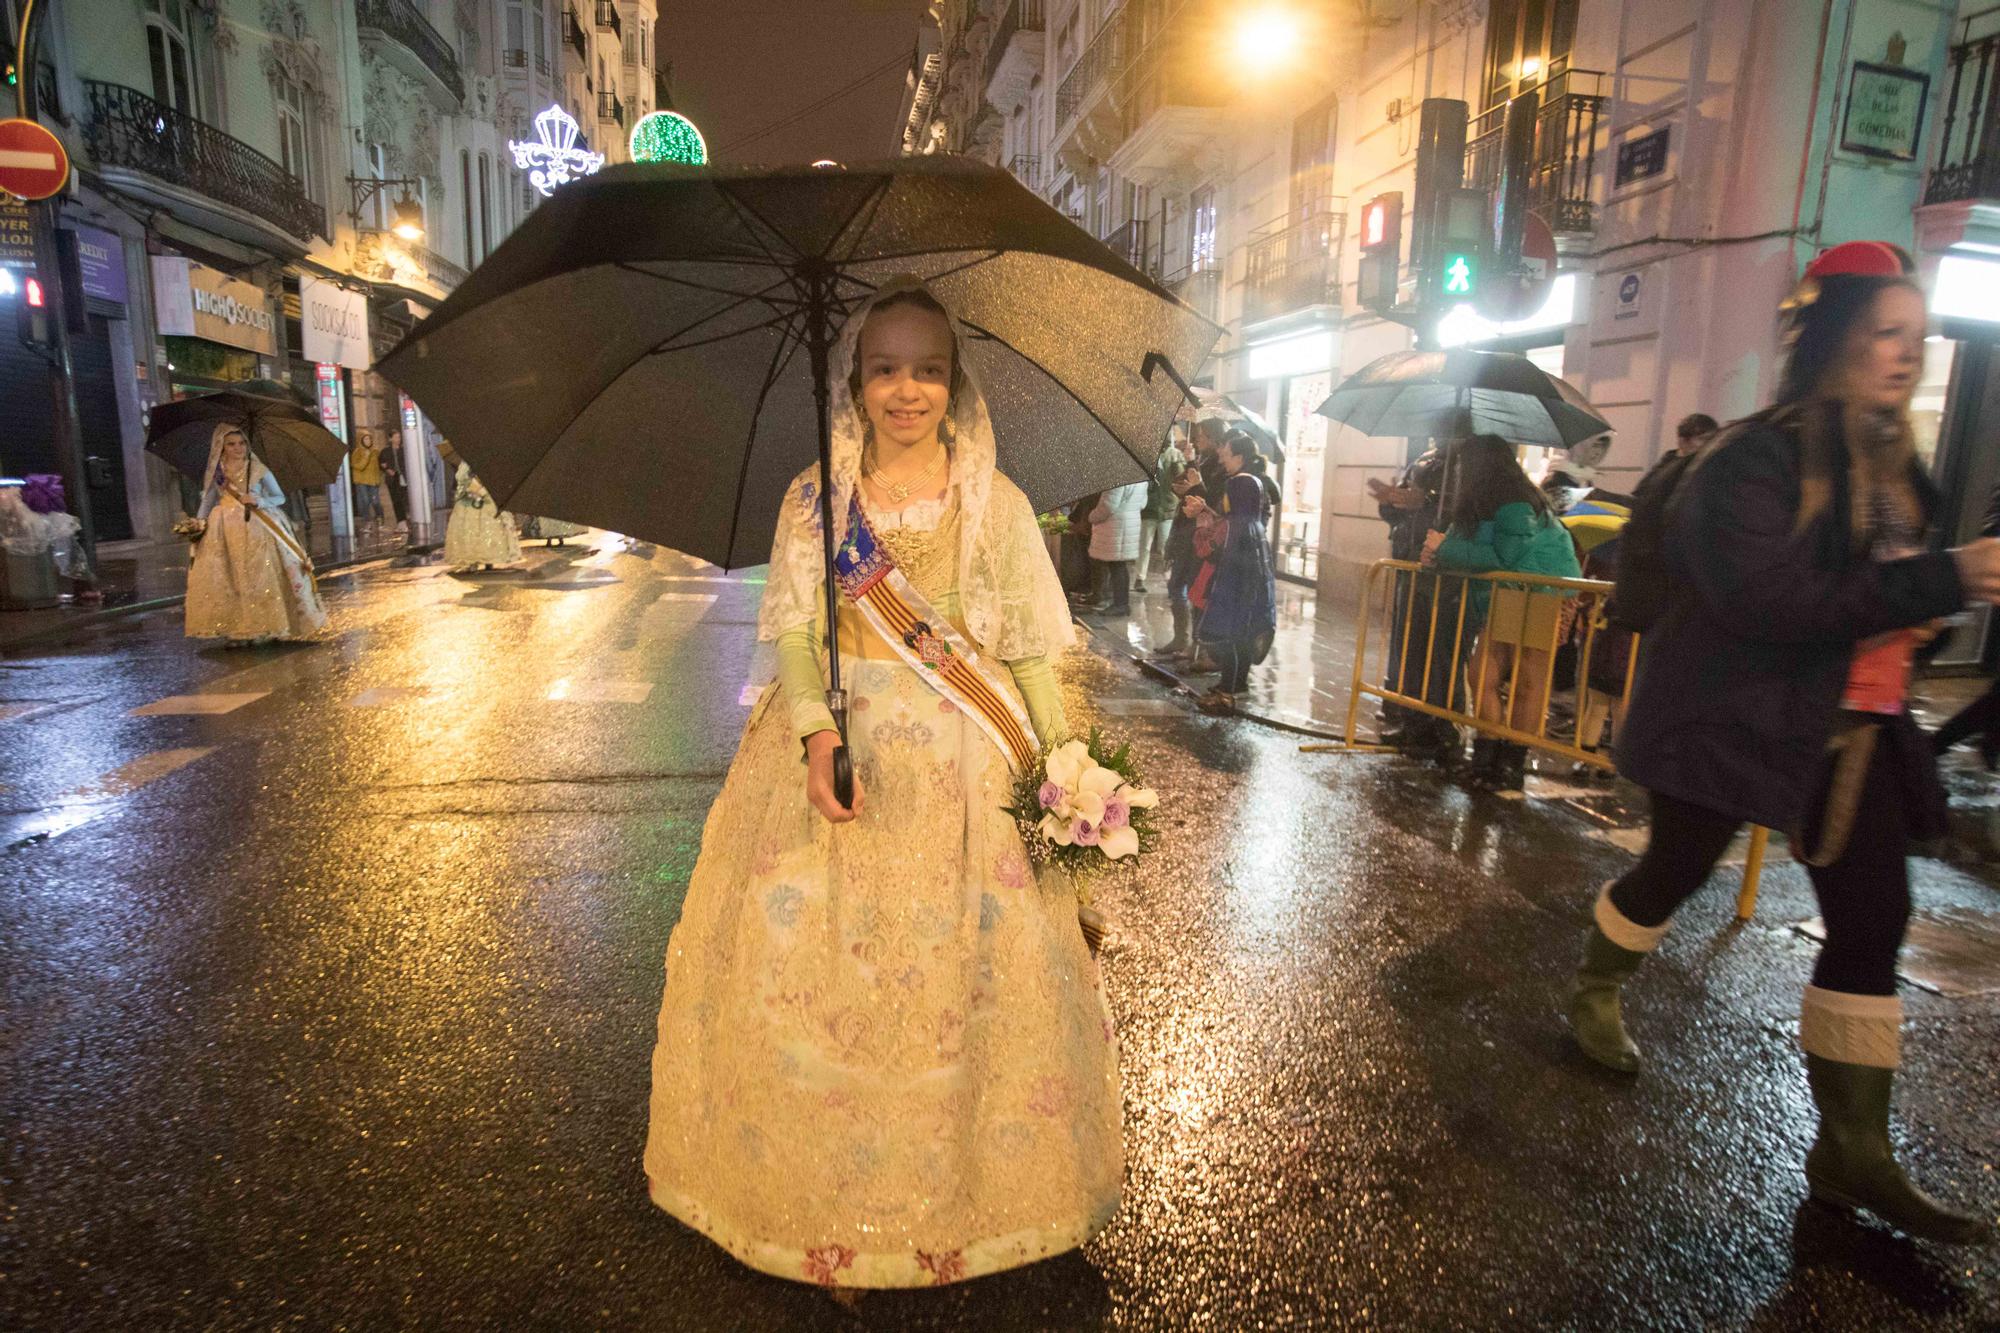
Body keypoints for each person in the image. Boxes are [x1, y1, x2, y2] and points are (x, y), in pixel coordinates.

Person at [643, 279, 1123, 1291]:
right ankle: (830, 1218)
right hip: (843, 761)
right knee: (826, 988)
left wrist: (1066, 762)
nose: (907, 388)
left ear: (955, 384)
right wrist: (814, 735)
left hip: (968, 772)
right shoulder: (815, 496)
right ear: (854, 382)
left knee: (970, 990)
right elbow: (796, 635)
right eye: (885, 367)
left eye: (929, 368)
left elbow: (1030, 656)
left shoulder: (995, 502)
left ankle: (975, 1202)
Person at [1564, 241, 2000, 1245]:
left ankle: (1850, 1147)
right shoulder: (1753, 456)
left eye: (1915, 334)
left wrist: (1931, 607)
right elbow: (1767, 599)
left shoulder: (1895, 461)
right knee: (1673, 870)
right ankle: (1593, 988)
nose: (1905, 352)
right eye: (1884, 332)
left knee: (1870, 916)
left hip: (1856, 732)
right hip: (1735, 714)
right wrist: (1945, 580)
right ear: (1837, 337)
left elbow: (1879, 588)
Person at [1424, 434, 1582, 791]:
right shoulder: (1477, 501)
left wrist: (1445, 548)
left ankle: (1510, 765)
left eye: (1465, 463)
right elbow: (1463, 548)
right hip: (1510, 593)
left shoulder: (1513, 499)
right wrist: (1437, 553)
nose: (1459, 470)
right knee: (1482, 674)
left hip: (1545, 590)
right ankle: (1485, 756)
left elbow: (1504, 557)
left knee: (1529, 677)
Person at [1369, 411, 1468, 759]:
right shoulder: (1424, 461)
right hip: (1410, 561)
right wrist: (1390, 502)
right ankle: (1410, 717)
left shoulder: (1466, 466)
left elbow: (1459, 510)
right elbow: (1402, 508)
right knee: (1409, 643)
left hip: (1443, 570)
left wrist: (1422, 499)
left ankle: (1441, 725)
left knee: (1438, 650)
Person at [183, 423, 327, 644]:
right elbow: (209, 499)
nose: (237, 448)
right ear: (222, 447)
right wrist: (198, 523)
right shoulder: (217, 472)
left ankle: (270, 626)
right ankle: (239, 629)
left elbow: (280, 497)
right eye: (231, 444)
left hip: (258, 526)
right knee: (232, 579)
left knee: (261, 577)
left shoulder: (259, 470)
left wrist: (259, 500)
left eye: (241, 443)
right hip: (224, 530)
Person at [1189, 431, 1277, 715]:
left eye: (1226, 454)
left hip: (1234, 579)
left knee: (1230, 635)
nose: (1222, 459)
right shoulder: (1252, 509)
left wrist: (1204, 525)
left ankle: (1227, 692)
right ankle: (1234, 684)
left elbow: (1218, 540)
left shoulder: (1237, 503)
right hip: (1248, 577)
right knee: (1240, 634)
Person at [1152, 417, 1227, 661]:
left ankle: (1195, 644)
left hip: (1200, 535)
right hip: (1184, 529)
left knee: (1196, 589)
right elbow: (1181, 487)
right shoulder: (1202, 459)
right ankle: (1180, 637)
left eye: (1202, 434)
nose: (1198, 438)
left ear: (1214, 437)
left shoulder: (1220, 465)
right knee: (1177, 584)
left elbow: (1214, 503)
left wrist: (1199, 483)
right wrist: (1184, 479)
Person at [441, 444, 521, 570]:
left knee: (487, 528)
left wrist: (480, 488)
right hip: (468, 503)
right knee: (470, 530)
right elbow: (460, 482)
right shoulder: (464, 465)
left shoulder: (488, 461)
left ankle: (488, 560)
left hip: (486, 501)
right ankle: (473, 560)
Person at [1086, 478, 1146, 615]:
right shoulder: (1141, 479)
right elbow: (1143, 503)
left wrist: (1091, 516)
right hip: (1130, 522)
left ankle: (1120, 604)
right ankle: (1119, 602)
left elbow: (1108, 506)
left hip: (1115, 526)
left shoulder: (1118, 479)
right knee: (1119, 565)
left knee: (1116, 566)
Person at [1134, 433, 1185, 594]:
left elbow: (1181, 479)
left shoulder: (1176, 455)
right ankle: (1139, 578)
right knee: (1144, 545)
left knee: (1165, 546)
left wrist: (1178, 465)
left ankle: (1169, 578)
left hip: (1168, 506)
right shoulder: (1147, 453)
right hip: (1150, 506)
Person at [348, 429, 383, 531]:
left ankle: (380, 518)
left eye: (369, 439)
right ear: (361, 440)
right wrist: (365, 457)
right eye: (366, 439)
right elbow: (358, 466)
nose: (368, 441)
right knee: (365, 501)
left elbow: (378, 466)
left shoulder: (375, 452)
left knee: (376, 501)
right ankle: (368, 522)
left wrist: (378, 478)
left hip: (373, 481)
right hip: (362, 481)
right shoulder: (357, 452)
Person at [379, 429, 410, 533]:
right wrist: (387, 469)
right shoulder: (385, 451)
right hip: (392, 478)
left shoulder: (404, 450)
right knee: (396, 500)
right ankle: (401, 523)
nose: (398, 439)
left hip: (403, 476)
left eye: (399, 437)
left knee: (403, 499)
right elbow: (381, 463)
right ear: (390, 438)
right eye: (396, 437)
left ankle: (404, 522)